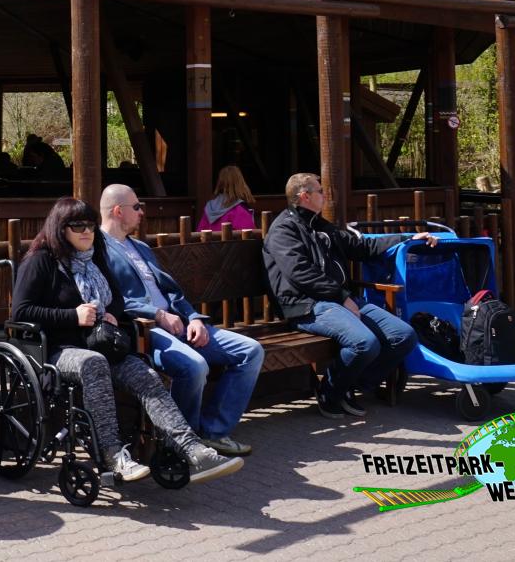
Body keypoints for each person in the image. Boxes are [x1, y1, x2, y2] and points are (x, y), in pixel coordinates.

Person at [11, 196, 243, 485]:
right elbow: (21, 311)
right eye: (77, 225)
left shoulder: (95, 257)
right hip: (58, 349)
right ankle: (113, 456)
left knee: (144, 374)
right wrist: (73, 315)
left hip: (101, 342)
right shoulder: (41, 261)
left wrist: (110, 313)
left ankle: (193, 450)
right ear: (60, 228)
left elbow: (118, 299)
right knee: (94, 363)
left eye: (91, 226)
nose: (86, 231)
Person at [99, 184, 263, 456]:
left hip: (181, 322)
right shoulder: (99, 251)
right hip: (145, 329)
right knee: (195, 366)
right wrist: (158, 315)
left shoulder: (139, 247)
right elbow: (113, 300)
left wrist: (195, 317)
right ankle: (182, 440)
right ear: (118, 211)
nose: (142, 212)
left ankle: (214, 432)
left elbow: (172, 290)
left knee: (250, 351)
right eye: (137, 207)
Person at [262, 172, 438, 418]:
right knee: (364, 343)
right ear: (304, 196)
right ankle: (329, 391)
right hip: (306, 306)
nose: (324, 195)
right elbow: (300, 274)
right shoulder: (283, 230)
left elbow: (362, 246)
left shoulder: (320, 226)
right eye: (320, 191)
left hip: (340, 302)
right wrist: (341, 296)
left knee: (403, 335)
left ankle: (349, 387)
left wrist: (408, 238)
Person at [200, 165, 257, 232]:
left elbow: (199, 234)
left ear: (220, 183)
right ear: (241, 182)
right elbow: (250, 237)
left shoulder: (209, 208)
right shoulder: (239, 210)